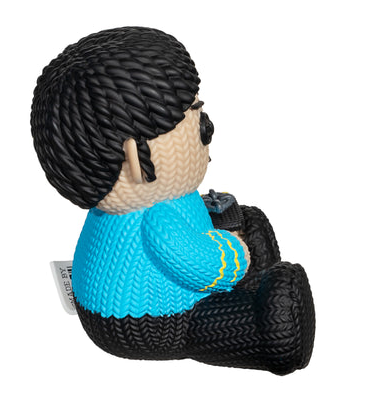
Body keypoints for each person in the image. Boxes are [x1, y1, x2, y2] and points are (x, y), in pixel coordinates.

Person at [31, 26, 315, 375]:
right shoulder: (158, 221)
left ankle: (258, 285)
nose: (206, 127)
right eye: (194, 116)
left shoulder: (136, 203)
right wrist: (236, 252)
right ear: (136, 158)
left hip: (111, 307)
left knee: (246, 220)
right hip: (160, 323)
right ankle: (272, 333)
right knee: (241, 319)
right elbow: (205, 267)